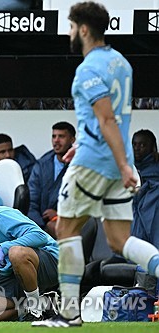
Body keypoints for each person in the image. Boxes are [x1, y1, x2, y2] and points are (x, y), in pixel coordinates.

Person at [33, 2, 159, 327]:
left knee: (66, 229)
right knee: (119, 240)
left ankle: (69, 314)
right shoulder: (122, 63)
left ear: (84, 29)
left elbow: (106, 118)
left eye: (72, 26)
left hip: (97, 164)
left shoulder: (87, 69)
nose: (69, 33)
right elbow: (107, 117)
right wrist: (115, 160)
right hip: (116, 164)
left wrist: (118, 162)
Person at [27, 122, 76, 238]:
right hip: (40, 227)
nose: (56, 140)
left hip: (70, 226)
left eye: (61, 136)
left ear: (72, 139)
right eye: (54, 136)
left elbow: (84, 202)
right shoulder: (41, 165)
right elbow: (31, 201)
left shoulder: (80, 166)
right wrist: (40, 229)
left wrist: (59, 215)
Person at [131, 129, 159, 248]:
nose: (137, 148)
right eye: (134, 144)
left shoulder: (156, 168)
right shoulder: (127, 168)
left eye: (142, 145)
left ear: (152, 147)